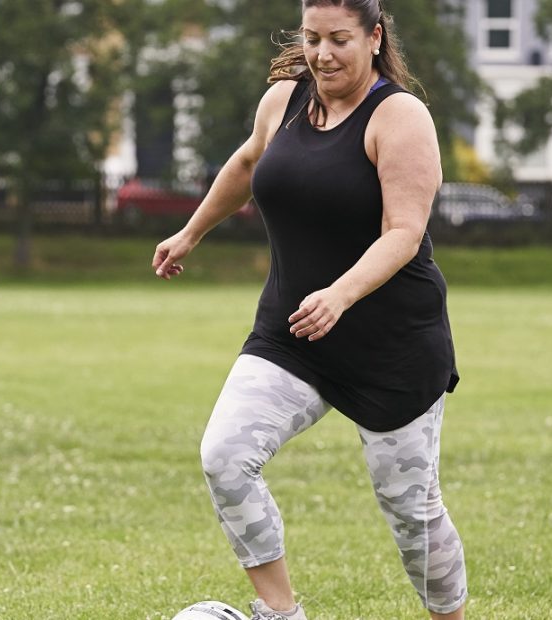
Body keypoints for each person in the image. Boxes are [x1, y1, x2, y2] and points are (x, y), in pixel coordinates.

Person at [152, 1, 468, 618]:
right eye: (313, 37)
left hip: (390, 344)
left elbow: (404, 233)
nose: (323, 53)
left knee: (411, 511)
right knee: (224, 456)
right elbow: (248, 163)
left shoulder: (400, 117)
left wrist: (341, 294)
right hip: (294, 333)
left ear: (375, 38)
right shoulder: (285, 100)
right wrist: (191, 233)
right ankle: (281, 613)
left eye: (340, 39)